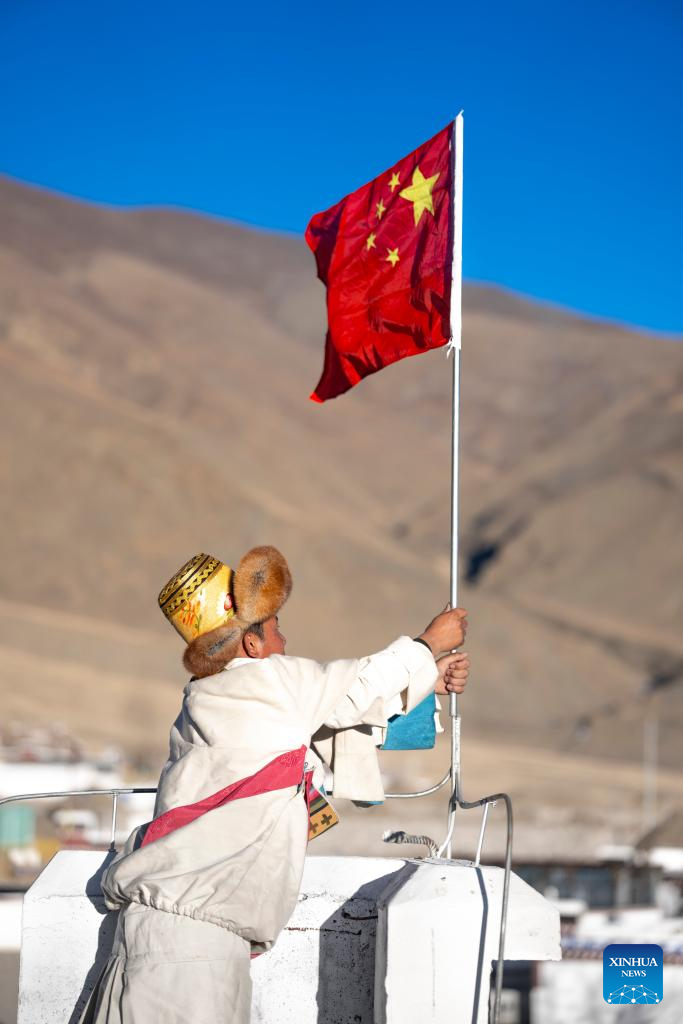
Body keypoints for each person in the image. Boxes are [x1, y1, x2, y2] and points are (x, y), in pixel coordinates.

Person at [81, 546, 470, 1024]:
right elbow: (355, 690)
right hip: (191, 955)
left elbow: (323, 731)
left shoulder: (211, 701)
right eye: (276, 629)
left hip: (158, 936)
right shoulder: (270, 683)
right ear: (250, 644)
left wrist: (429, 682)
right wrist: (428, 644)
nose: (285, 642)